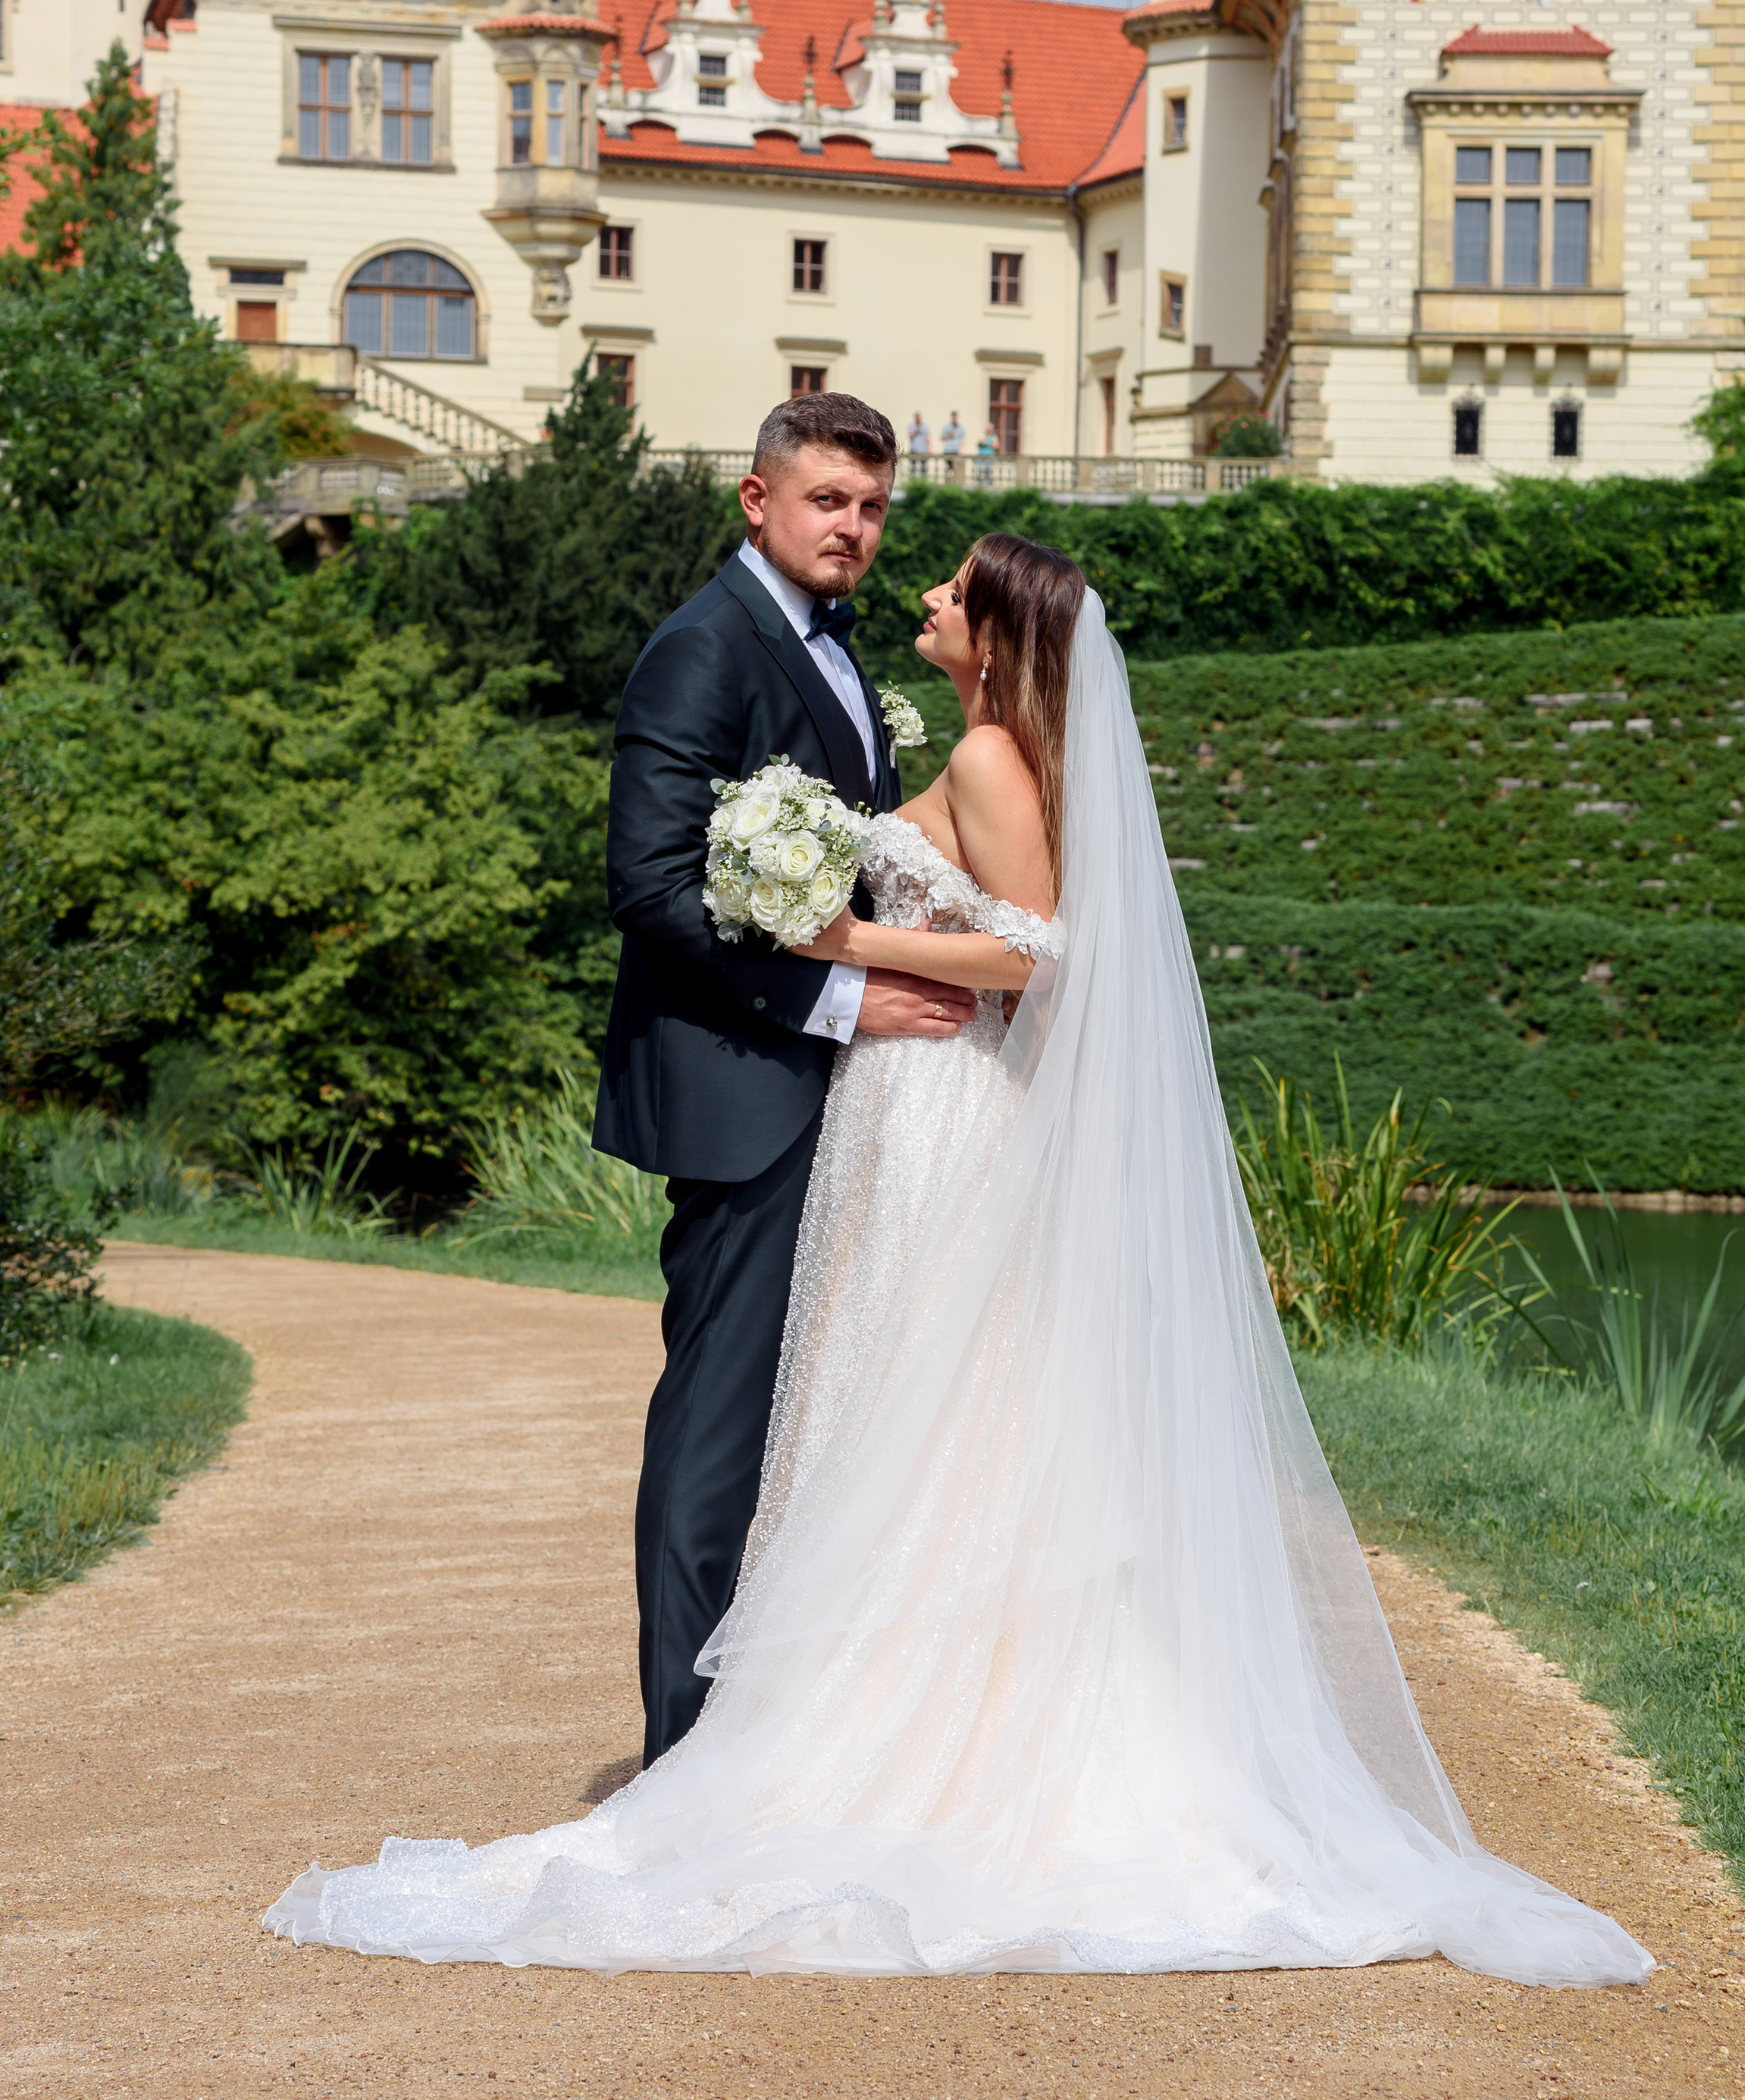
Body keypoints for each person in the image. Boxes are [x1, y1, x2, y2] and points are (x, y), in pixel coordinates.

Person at [267, 536, 1653, 1988]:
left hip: (945, 1112)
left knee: (944, 1409)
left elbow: (1045, 949)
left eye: (951, 590)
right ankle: (907, 1714)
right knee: (911, 1408)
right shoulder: (973, 735)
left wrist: (849, 932)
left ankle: (947, 1739)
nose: (920, 593)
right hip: (903, 1106)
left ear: (992, 634)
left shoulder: (990, 758)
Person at [587, 388, 975, 1769]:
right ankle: (683, 1757)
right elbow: (649, 884)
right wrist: (844, 995)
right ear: (758, 499)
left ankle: (779, 1732)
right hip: (745, 1087)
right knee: (721, 1420)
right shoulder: (704, 648)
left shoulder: (831, 642)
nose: (854, 529)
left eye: (872, 508)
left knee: (818, 1412)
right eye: (829, 501)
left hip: (838, 1093)